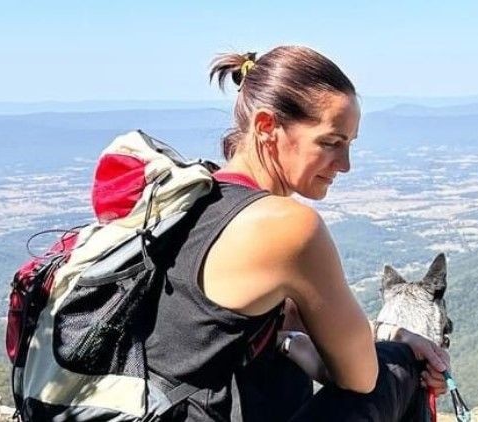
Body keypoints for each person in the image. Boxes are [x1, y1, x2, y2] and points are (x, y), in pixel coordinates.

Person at [143, 46, 451, 421]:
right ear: (266, 127)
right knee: (399, 368)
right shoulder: (288, 225)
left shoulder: (198, 200)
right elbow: (362, 376)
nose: (346, 165)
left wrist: (390, 331)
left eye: (350, 144)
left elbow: (279, 318)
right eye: (330, 143)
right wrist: (400, 346)